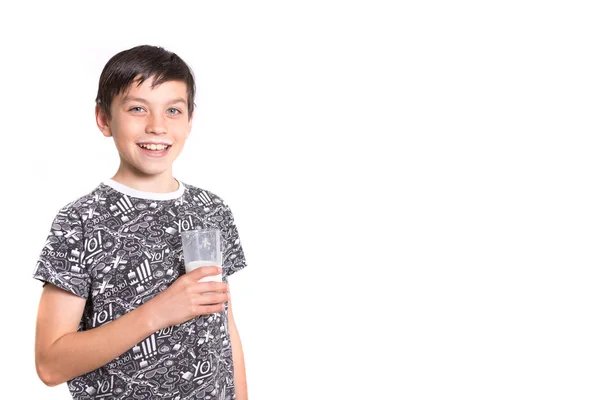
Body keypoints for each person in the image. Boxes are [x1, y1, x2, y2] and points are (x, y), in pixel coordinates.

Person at [32, 45, 249, 400]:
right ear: (104, 119)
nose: (157, 126)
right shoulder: (82, 220)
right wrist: (159, 311)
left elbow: (223, 327)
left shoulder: (212, 209)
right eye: (137, 108)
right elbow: (50, 365)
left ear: (190, 120)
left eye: (173, 110)